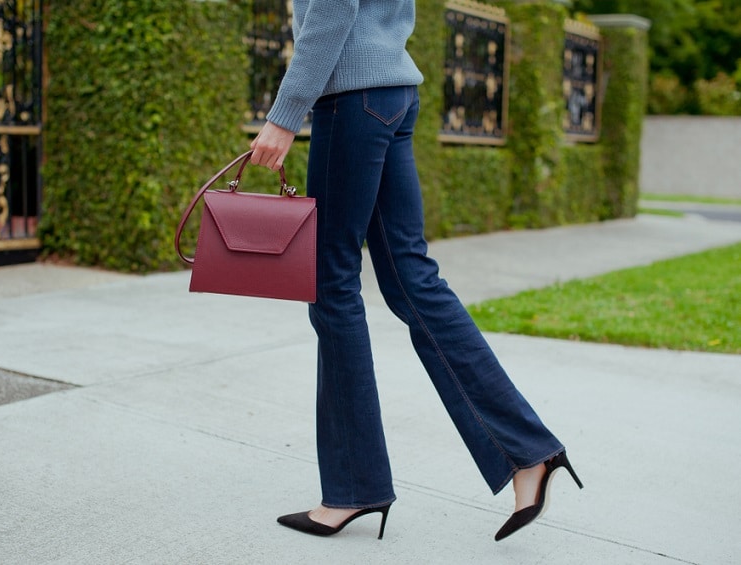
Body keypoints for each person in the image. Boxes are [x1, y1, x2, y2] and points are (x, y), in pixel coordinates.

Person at [249, 0, 582, 542]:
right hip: (392, 94)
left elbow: (332, 11)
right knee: (414, 279)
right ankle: (529, 451)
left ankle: (353, 489)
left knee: (330, 284)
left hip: (351, 98)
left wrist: (284, 114)